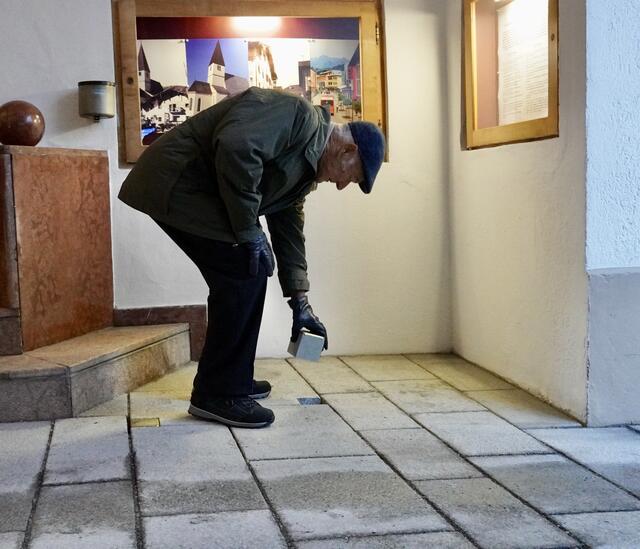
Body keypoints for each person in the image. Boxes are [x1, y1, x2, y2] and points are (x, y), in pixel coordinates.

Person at [118, 87, 385, 428]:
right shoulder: (297, 115)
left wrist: (300, 302)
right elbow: (236, 147)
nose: (342, 185)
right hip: (176, 182)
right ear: (348, 149)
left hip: (196, 192)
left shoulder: (303, 176)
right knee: (244, 270)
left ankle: (233, 381)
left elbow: (289, 235)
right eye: (353, 175)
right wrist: (249, 232)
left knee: (249, 267)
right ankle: (218, 393)